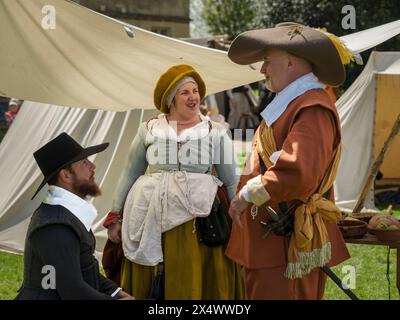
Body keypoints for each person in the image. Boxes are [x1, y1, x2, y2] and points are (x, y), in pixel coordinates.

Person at [225, 22, 351, 299]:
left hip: (286, 242)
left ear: (291, 62)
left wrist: (245, 194)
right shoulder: (294, 103)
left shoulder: (311, 107)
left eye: (268, 61)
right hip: (272, 241)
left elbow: (299, 174)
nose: (262, 69)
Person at [104, 64, 245, 299]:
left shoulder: (215, 131)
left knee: (190, 277)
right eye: (185, 92)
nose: (193, 97)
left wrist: (240, 220)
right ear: (171, 99)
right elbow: (130, 172)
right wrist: (115, 215)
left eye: (196, 91)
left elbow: (231, 181)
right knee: (152, 276)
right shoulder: (148, 129)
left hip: (197, 223)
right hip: (150, 217)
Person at [16, 133, 134, 300]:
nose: (92, 166)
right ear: (66, 175)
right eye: (84, 163)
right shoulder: (54, 226)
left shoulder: (66, 214)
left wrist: (116, 292)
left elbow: (85, 266)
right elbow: (73, 291)